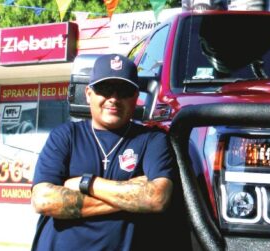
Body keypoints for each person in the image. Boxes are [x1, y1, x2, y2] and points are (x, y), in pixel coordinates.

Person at [31, 54, 190, 250]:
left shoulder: (152, 139)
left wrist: (87, 184)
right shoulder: (65, 136)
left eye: (124, 91)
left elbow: (156, 198)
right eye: (105, 89)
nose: (113, 99)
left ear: (136, 97)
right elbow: (43, 200)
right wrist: (131, 194)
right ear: (89, 93)